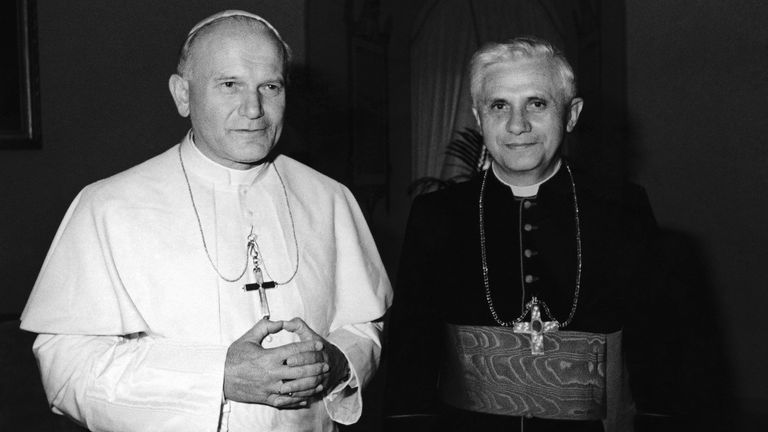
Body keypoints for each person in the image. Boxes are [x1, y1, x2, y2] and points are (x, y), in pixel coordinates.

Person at [20, 10, 392, 432]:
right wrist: (218, 376)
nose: (254, 109)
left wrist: (337, 361)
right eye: (229, 84)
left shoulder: (329, 198)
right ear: (183, 94)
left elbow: (364, 323)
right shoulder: (108, 206)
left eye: (270, 86)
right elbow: (66, 369)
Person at [385, 37, 656, 432]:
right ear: (478, 119)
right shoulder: (436, 215)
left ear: (572, 114)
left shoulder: (622, 209)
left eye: (537, 103)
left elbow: (658, 348)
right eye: (499, 106)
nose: (518, 125)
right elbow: (412, 349)